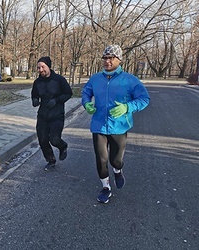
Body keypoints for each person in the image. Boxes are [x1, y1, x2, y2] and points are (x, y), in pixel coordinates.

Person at [81, 44, 150, 204]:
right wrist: (87, 104)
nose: (107, 61)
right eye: (105, 58)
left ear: (119, 59)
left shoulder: (130, 80)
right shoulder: (95, 78)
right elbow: (86, 92)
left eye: (111, 58)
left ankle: (118, 170)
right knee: (101, 159)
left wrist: (127, 107)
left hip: (119, 127)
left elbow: (144, 99)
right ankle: (106, 187)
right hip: (98, 125)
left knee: (115, 160)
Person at [31, 56, 73, 171]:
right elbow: (34, 94)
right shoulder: (37, 82)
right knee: (42, 139)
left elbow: (68, 93)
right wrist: (35, 100)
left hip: (57, 115)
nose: (40, 70)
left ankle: (62, 146)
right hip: (43, 115)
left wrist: (57, 100)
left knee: (54, 139)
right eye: (38, 67)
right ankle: (50, 160)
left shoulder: (59, 80)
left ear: (48, 67)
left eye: (43, 67)